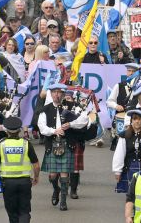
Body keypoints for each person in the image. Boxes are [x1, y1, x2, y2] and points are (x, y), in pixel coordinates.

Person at [38, 83, 88, 211]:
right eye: (54, 92)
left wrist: (70, 124)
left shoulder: (71, 107)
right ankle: (56, 189)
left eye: (59, 92)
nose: (57, 94)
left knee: (64, 173)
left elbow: (84, 120)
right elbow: (41, 127)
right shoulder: (45, 109)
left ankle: (63, 201)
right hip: (52, 143)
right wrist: (54, 131)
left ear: (63, 94)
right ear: (51, 94)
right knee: (53, 175)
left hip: (67, 143)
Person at [0, 116, 40, 223]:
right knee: (24, 211)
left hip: (8, 183)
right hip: (25, 182)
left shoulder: (2, 144)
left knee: (12, 213)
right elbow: (36, 165)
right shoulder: (26, 144)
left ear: (6, 131)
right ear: (19, 130)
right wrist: (36, 177)